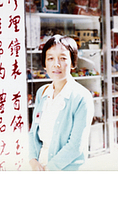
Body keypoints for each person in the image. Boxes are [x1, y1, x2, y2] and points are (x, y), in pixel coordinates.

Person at [29, 35, 94, 171]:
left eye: (63, 58)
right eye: (50, 58)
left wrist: (49, 169)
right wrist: (33, 160)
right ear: (45, 63)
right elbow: (33, 133)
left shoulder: (82, 97)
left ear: (72, 63)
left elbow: (75, 145)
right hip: (40, 166)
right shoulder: (42, 93)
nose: (56, 64)